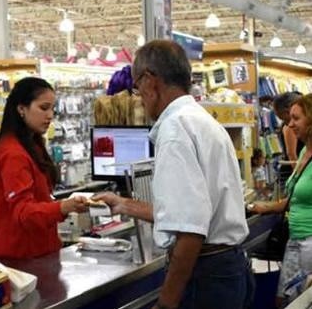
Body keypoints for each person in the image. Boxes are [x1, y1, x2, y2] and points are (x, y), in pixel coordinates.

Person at [93, 40, 253, 309]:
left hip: (204, 276)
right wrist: (123, 204)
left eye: (136, 87)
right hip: (228, 268)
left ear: (149, 80)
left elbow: (190, 230)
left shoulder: (175, 131)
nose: (139, 97)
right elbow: (190, 211)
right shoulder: (201, 121)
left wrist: (166, 303)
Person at [0, 77, 87, 259]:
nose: (50, 115)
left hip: (40, 253)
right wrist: (63, 207)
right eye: (43, 108)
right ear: (21, 109)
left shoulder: (32, 146)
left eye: (52, 109)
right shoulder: (12, 154)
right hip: (20, 259)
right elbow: (24, 213)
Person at [251, 94, 312, 306]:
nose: (290, 124)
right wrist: (267, 208)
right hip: (296, 239)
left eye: (296, 119)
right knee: (284, 300)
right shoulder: (305, 151)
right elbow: (295, 197)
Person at [274, 92, 304, 183]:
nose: (289, 124)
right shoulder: (290, 127)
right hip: (292, 172)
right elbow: (291, 154)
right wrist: (299, 176)